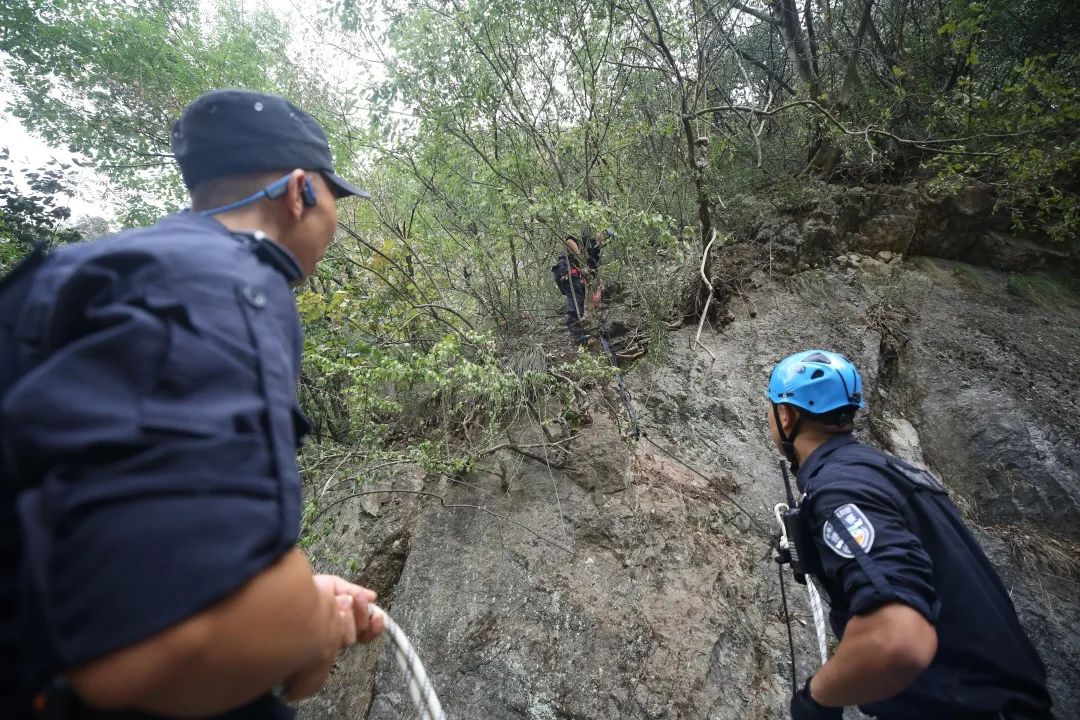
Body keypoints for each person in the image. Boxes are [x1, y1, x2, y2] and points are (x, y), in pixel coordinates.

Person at [0, 88, 385, 720]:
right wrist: (309, 622)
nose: (334, 223)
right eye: (333, 198)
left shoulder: (74, 274)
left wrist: (293, 600)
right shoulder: (225, 287)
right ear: (299, 192)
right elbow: (161, 642)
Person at [767, 350, 1053, 720]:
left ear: (786, 415)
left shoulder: (840, 491)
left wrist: (817, 699)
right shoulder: (888, 472)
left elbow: (897, 638)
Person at [551, 229, 610, 345]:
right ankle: (577, 332)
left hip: (574, 274)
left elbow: (594, 270)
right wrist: (581, 261)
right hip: (567, 270)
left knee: (582, 299)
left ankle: (584, 330)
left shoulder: (595, 251)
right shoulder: (586, 240)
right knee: (576, 299)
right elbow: (569, 241)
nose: (603, 241)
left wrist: (599, 284)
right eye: (604, 237)